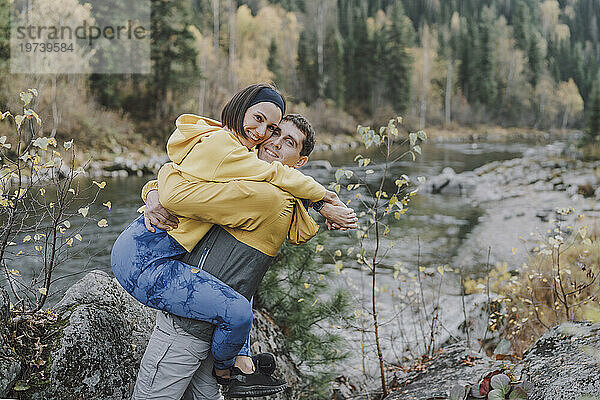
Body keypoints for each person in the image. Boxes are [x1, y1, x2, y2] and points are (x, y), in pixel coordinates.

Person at [111, 84, 352, 394]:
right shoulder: (242, 164)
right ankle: (232, 369)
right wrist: (322, 200)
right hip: (161, 284)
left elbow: (244, 272)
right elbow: (179, 188)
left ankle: (234, 365)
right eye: (266, 126)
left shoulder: (254, 175)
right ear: (242, 109)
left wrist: (316, 202)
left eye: (282, 136)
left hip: (192, 303)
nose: (269, 137)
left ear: (301, 162)